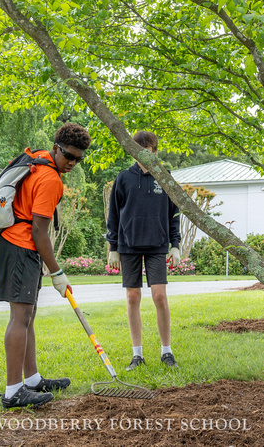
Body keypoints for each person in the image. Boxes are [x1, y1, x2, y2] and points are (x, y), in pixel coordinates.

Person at [0, 122, 91, 408]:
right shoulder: (50, 179)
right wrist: (57, 272)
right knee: (20, 318)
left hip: (14, 244)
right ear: (56, 148)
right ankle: (13, 392)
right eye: (69, 156)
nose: (72, 163)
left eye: (79, 159)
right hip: (20, 246)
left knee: (28, 316)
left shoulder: (37, 159)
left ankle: (32, 380)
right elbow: (39, 232)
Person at [106, 131, 181, 371]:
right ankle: (137, 355)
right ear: (133, 152)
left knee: (160, 296)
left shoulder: (165, 178)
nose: (144, 155)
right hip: (128, 245)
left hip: (157, 244)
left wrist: (175, 245)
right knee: (132, 297)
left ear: (155, 151)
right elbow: (114, 215)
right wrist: (113, 248)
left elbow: (174, 215)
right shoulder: (124, 178)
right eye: (139, 151)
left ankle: (166, 352)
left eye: (148, 151)